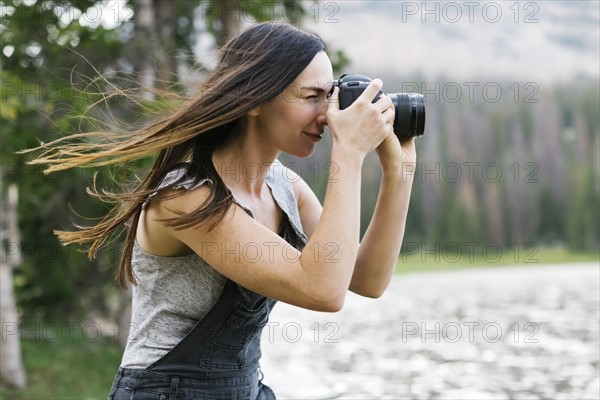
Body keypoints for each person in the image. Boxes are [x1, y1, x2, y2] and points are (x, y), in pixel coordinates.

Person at [28, 22, 416, 399]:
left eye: (329, 96)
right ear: (255, 100)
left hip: (244, 386)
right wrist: (348, 154)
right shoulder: (187, 195)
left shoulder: (284, 188)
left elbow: (367, 280)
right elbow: (324, 291)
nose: (328, 115)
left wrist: (399, 172)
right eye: (311, 96)